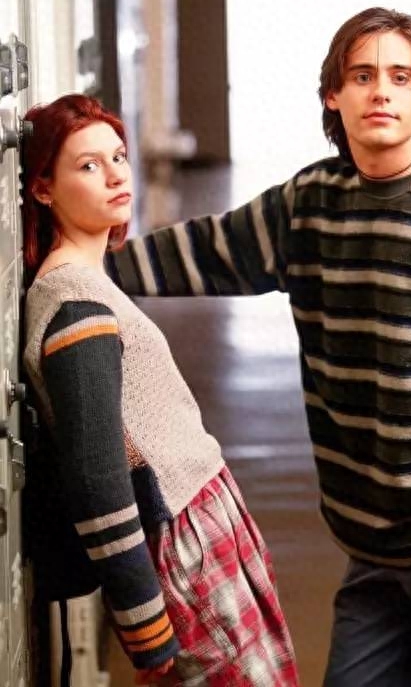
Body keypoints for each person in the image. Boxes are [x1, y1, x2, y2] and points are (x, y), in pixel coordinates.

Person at [107, 7, 411, 687]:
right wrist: (84, 267)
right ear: (334, 94)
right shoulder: (310, 203)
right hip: (378, 542)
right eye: (362, 76)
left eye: (400, 77)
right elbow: (206, 251)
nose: (380, 91)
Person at [21, 93, 300, 687]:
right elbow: (97, 478)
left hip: (202, 521)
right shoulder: (75, 305)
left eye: (118, 157)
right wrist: (142, 620)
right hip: (184, 543)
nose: (115, 174)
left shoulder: (90, 280)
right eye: (88, 165)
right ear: (43, 189)